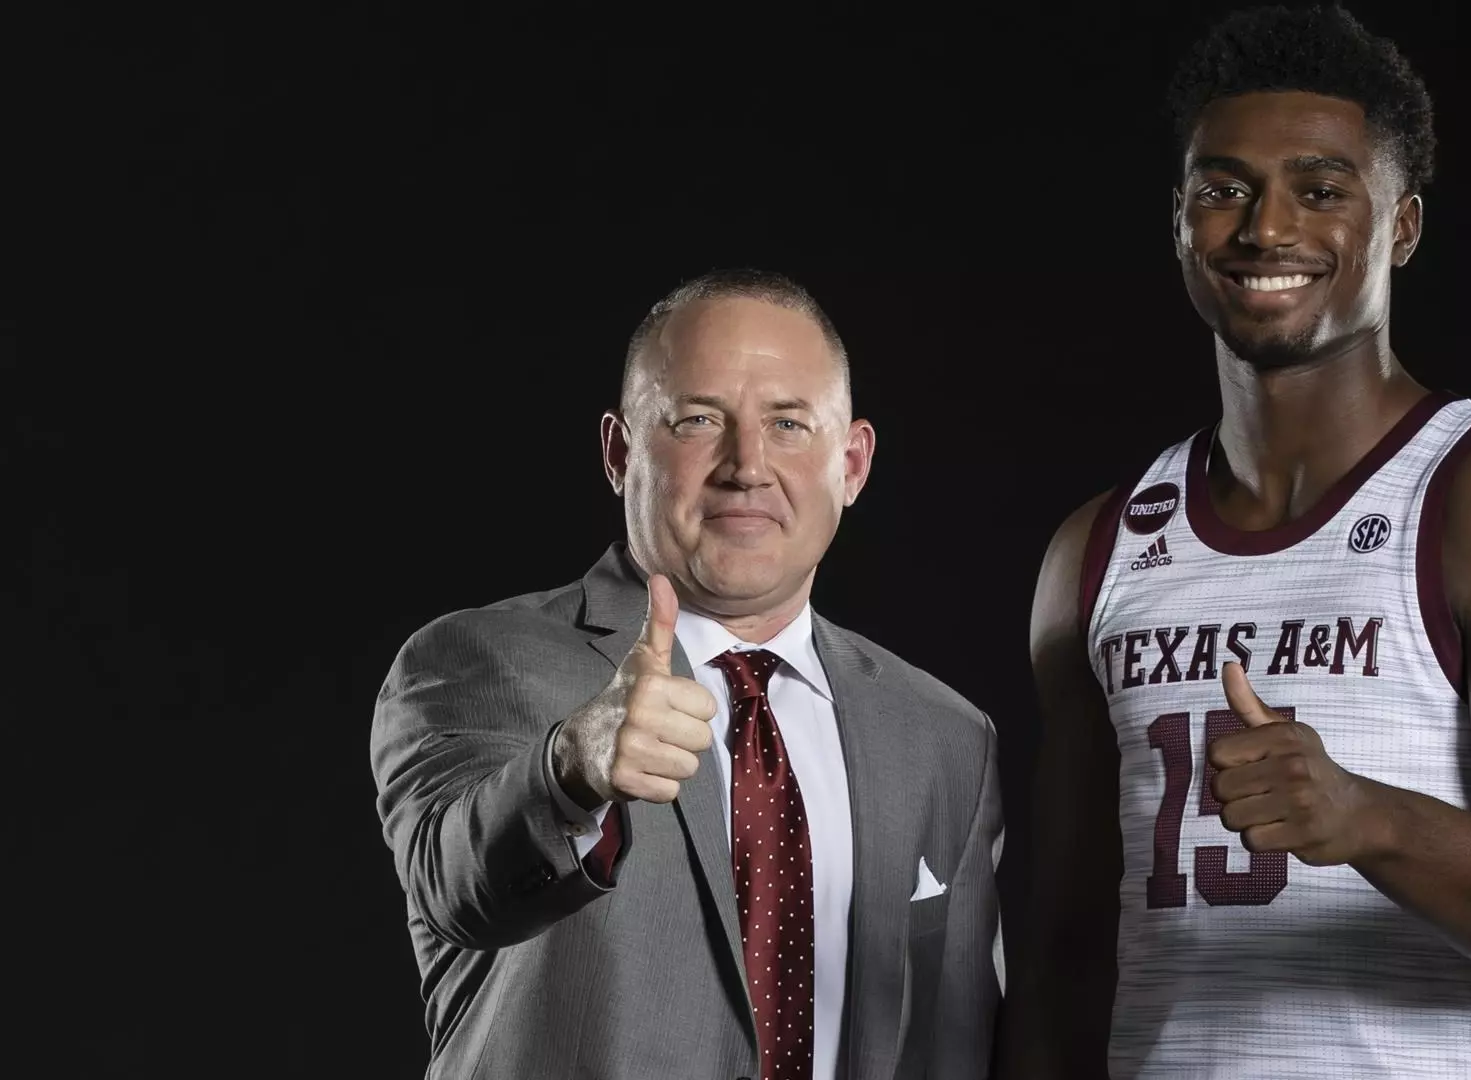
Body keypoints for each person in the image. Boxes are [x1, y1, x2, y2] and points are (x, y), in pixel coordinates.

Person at [1002, 6, 1471, 1077]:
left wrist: (1370, 819)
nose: (1265, 229)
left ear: (1398, 226)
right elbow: (1068, 957)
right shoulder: (1101, 548)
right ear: (1178, 220)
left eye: (1320, 188)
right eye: (1224, 190)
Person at [370, 269, 1002, 1080]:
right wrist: (569, 773)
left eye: (789, 424)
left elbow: (951, 1044)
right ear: (619, 452)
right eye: (699, 419)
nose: (748, 464)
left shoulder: (945, 735)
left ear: (852, 463)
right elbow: (453, 887)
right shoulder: (473, 660)